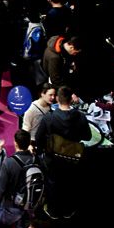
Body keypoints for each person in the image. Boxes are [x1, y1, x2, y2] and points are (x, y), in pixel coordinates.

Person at [34, 86, 91, 218]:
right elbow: (87, 136)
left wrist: (43, 153)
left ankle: (53, 211)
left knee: (53, 185)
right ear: (71, 99)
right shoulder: (81, 117)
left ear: (58, 99)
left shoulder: (49, 118)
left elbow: (38, 138)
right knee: (71, 185)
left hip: (53, 160)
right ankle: (68, 211)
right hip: (73, 160)